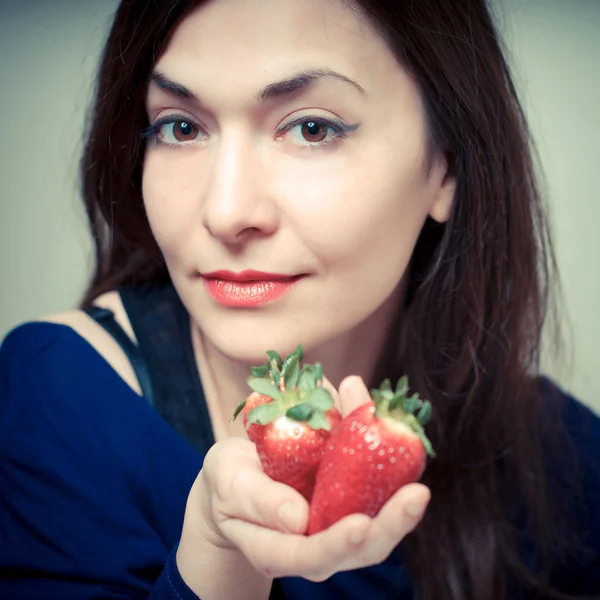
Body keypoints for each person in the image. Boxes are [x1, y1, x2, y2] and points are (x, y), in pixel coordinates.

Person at [1, 0, 598, 598]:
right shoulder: (57, 394)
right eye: (181, 127)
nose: (227, 212)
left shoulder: (563, 461)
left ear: (446, 166)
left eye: (311, 128)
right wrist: (218, 557)